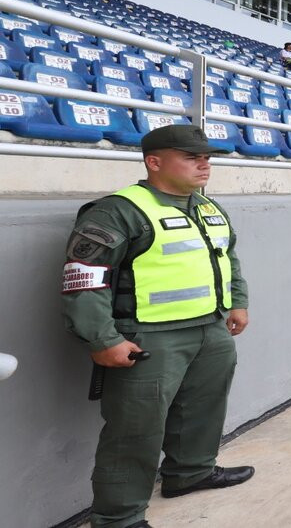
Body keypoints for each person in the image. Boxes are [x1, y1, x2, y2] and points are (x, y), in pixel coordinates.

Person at [62, 125, 254, 528]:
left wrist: (237, 301)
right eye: (192, 157)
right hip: (149, 336)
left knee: (204, 408)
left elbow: (227, 257)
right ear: (154, 161)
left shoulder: (207, 206)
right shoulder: (119, 210)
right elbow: (84, 276)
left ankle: (190, 473)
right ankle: (118, 518)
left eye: (207, 158)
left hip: (211, 328)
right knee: (136, 429)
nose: (204, 164)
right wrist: (102, 338)